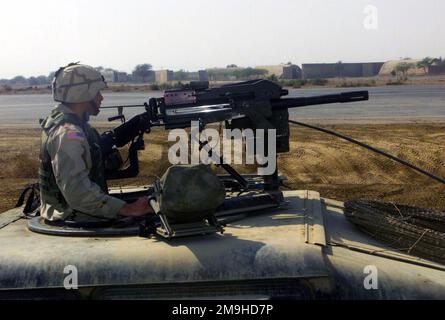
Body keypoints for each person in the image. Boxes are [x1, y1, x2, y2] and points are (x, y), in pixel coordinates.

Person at [39, 63, 153, 222]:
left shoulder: (73, 125)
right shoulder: (68, 133)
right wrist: (128, 209)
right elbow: (77, 192)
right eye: (97, 92)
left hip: (77, 213)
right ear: (82, 93)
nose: (101, 97)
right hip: (75, 217)